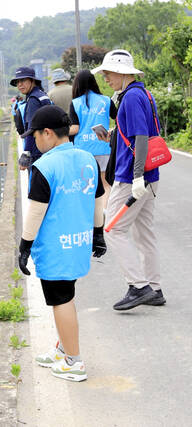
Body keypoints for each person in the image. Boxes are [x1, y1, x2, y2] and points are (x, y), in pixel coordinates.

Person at [18, 105, 107, 382]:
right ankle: (62, 349)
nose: (33, 141)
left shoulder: (44, 166)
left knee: (61, 300)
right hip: (78, 242)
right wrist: (99, 232)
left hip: (56, 246)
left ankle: (74, 361)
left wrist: (24, 246)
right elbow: (97, 199)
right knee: (66, 294)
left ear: (48, 133)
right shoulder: (87, 158)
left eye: (35, 135)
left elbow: (35, 211)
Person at [91, 49, 165, 310]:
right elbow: (135, 134)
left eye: (109, 73)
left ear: (122, 73)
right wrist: (111, 135)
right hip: (150, 175)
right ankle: (154, 289)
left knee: (113, 228)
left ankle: (138, 286)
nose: (106, 79)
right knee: (144, 232)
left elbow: (142, 137)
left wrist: (135, 177)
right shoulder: (142, 93)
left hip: (132, 176)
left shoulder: (131, 97)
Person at [69, 69, 118, 207]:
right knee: (106, 184)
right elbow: (120, 119)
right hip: (103, 147)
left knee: (87, 185)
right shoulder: (106, 100)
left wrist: (59, 131)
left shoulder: (75, 103)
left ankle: (91, 218)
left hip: (82, 150)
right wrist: (112, 130)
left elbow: (75, 128)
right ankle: (105, 215)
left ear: (77, 84)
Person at [10, 66, 53, 168]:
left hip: (38, 150)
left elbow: (31, 127)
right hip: (48, 145)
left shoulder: (33, 100)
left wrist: (27, 153)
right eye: (17, 82)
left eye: (23, 80)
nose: (20, 84)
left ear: (32, 80)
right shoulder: (42, 95)